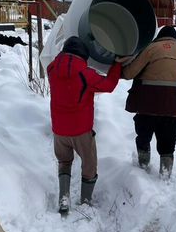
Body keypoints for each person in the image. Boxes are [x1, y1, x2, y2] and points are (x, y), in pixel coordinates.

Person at [47, 36, 123, 215]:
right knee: (89, 165)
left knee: (64, 162)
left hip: (59, 130)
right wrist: (117, 65)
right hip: (81, 130)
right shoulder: (86, 74)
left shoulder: (51, 69)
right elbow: (109, 85)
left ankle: (64, 197)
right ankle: (85, 202)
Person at [121, 25, 176, 177]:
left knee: (144, 135)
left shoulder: (152, 48)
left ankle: (143, 168)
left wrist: (119, 70)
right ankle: (166, 173)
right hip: (174, 105)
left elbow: (131, 72)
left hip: (149, 102)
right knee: (168, 140)